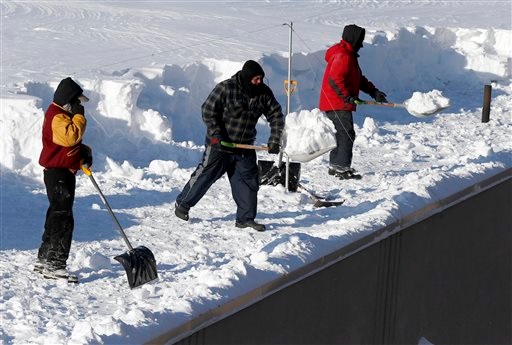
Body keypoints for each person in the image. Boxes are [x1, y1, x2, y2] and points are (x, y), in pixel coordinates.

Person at [175, 60, 284, 231]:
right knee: (205, 175)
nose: (259, 82)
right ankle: (183, 204)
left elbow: (276, 115)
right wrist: (217, 134)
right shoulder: (227, 88)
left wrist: (275, 140)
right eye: (255, 79)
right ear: (247, 77)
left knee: (248, 182)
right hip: (220, 144)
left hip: (244, 146)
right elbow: (208, 110)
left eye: (261, 79)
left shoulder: (264, 92)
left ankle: (245, 218)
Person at [35, 77, 93, 282]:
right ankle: (55, 263)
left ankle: (44, 258)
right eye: (77, 103)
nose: (79, 107)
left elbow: (68, 145)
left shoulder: (61, 116)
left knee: (57, 215)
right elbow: (70, 138)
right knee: (63, 218)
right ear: (68, 100)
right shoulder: (57, 116)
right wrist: (79, 117)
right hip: (57, 175)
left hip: (62, 173)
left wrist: (83, 153)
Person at [319, 24, 388, 180]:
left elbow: (358, 79)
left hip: (337, 101)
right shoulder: (343, 56)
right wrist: (347, 97)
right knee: (346, 134)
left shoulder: (348, 55)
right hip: (336, 102)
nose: (361, 45)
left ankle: (336, 166)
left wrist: (373, 92)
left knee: (342, 133)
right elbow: (335, 80)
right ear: (352, 39)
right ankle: (341, 168)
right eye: (359, 41)